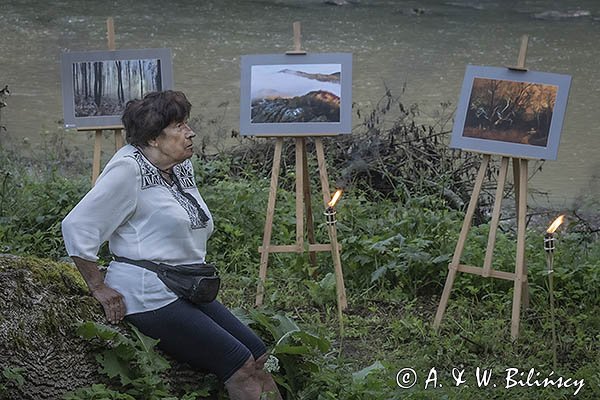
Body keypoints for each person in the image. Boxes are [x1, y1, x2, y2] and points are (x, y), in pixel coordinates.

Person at [62, 90, 282, 400]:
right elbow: (77, 225)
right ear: (153, 138)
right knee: (241, 365)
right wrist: (98, 286)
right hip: (146, 294)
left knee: (260, 357)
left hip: (185, 284)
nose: (190, 132)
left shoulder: (178, 165)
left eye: (187, 123)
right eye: (179, 126)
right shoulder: (128, 170)